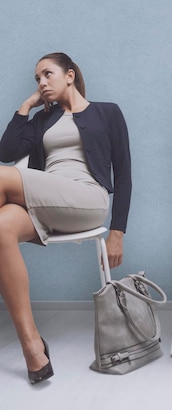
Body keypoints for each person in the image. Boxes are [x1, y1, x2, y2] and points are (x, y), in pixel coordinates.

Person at [0, 52, 131, 385]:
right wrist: (27, 105)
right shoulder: (43, 119)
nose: (42, 83)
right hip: (45, 203)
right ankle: (32, 347)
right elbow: (6, 152)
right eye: (37, 79)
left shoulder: (107, 112)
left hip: (87, 198)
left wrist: (117, 232)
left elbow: (125, 174)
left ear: (70, 75)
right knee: (1, 228)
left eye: (47, 75)